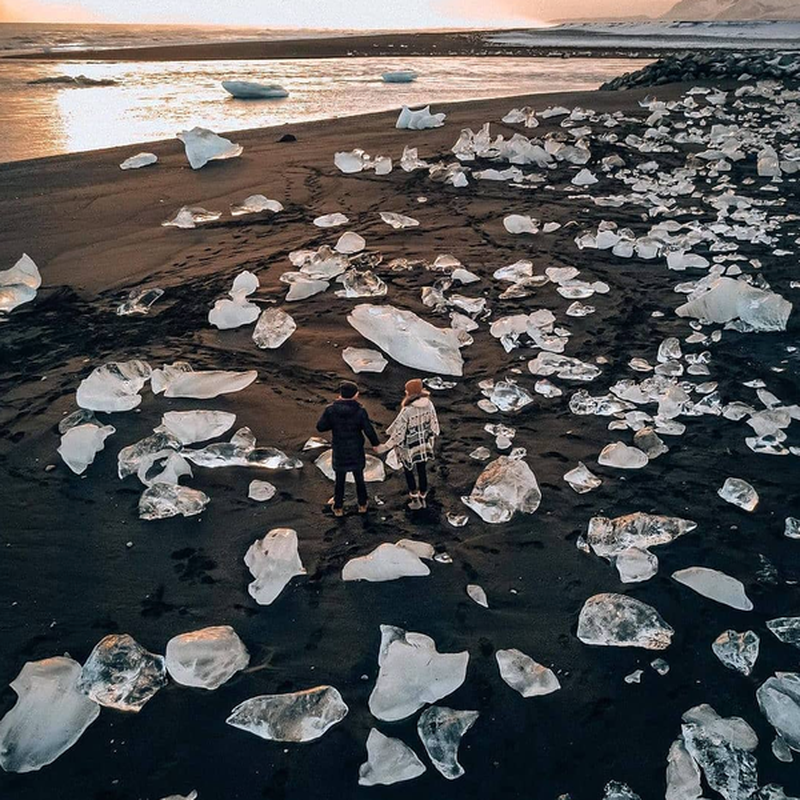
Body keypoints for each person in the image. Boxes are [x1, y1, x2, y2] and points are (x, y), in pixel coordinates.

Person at [316, 380, 379, 517]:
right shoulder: (360, 411)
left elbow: (320, 427)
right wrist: (375, 444)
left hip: (340, 448)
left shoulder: (330, 410)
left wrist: (333, 424)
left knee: (340, 479)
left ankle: (338, 507)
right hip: (356, 448)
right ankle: (362, 505)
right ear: (355, 395)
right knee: (359, 478)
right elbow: (368, 429)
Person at [376, 378, 440, 510]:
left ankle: (414, 497)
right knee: (422, 470)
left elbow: (399, 433)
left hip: (408, 447)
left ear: (409, 392)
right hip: (423, 445)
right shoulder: (429, 404)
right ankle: (423, 495)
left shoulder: (407, 410)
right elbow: (434, 426)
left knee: (409, 471)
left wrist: (385, 446)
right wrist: (430, 438)